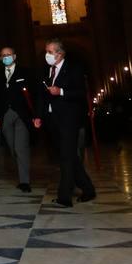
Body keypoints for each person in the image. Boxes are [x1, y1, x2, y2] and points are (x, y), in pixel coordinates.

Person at [39, 40, 96, 206]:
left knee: (66, 157)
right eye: (46, 51)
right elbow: (42, 96)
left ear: (60, 53)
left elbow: (80, 92)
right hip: (53, 120)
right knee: (69, 156)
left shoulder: (74, 68)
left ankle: (64, 197)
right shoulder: (48, 70)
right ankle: (88, 189)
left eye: (50, 51)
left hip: (69, 119)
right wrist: (40, 115)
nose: (47, 55)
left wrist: (61, 91)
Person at [0, 46, 42, 192]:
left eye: (9, 54)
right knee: (12, 148)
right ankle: (22, 169)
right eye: (3, 55)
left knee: (21, 148)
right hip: (5, 115)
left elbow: (35, 93)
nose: (6, 57)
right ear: (0, 58)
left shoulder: (26, 72)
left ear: (14, 56)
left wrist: (36, 115)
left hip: (22, 115)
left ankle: (24, 181)